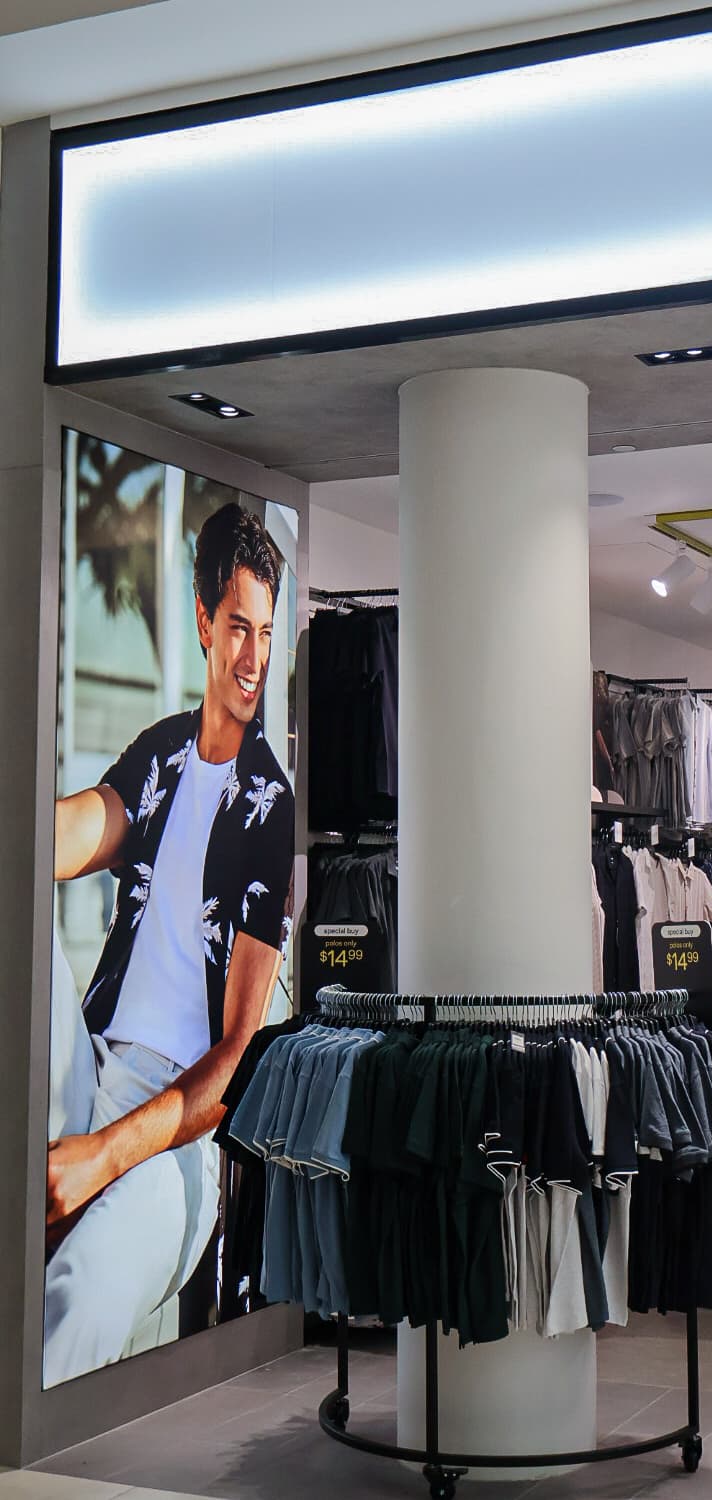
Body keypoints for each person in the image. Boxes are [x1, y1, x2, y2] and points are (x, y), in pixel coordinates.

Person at [45, 503, 294, 1387]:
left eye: (266, 633)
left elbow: (236, 1059)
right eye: (239, 628)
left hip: (176, 1141)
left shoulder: (269, 807)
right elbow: (79, 831)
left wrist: (102, 1157)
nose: (253, 657)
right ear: (203, 622)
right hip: (94, 1065)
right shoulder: (160, 755)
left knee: (78, 1297)